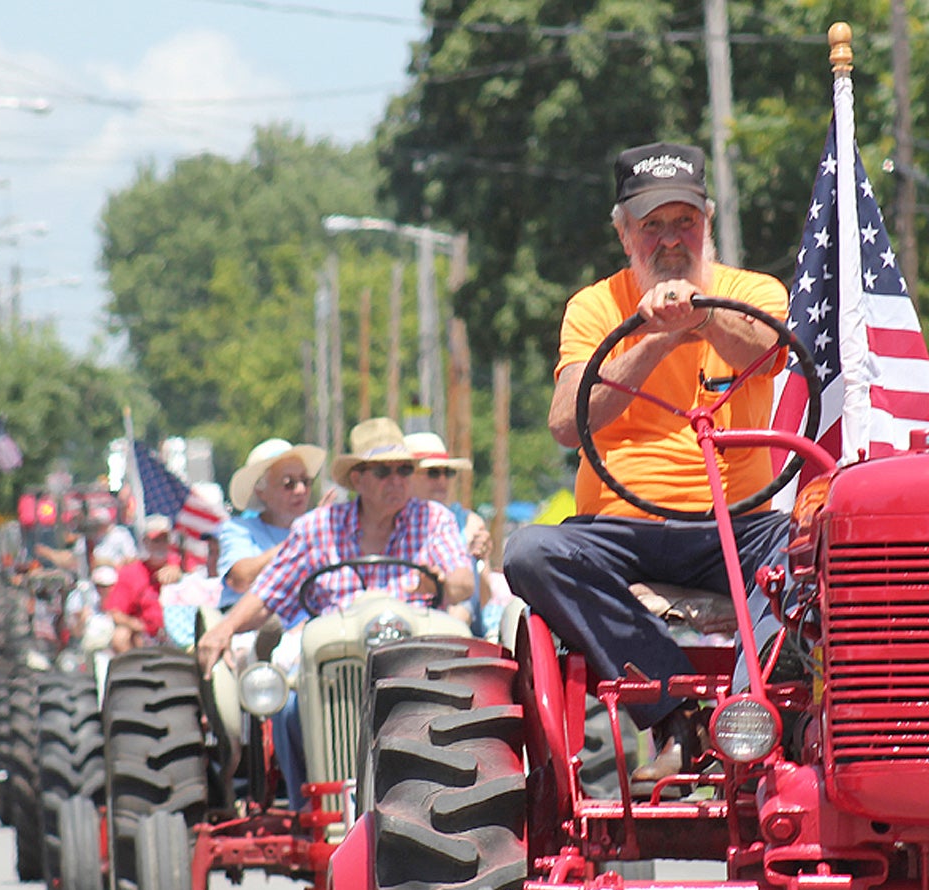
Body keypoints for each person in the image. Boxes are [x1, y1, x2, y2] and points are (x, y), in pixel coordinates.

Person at [502, 141, 791, 782]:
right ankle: (673, 711)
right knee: (530, 553)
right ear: (623, 231)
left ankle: (753, 715)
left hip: (736, 524)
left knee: (813, 551)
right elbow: (564, 422)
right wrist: (656, 334)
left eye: (683, 220)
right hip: (617, 528)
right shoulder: (596, 306)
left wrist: (703, 318)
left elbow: (764, 349)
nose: (669, 239)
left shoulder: (753, 291)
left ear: (707, 221)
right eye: (651, 224)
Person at [195, 418, 473, 806]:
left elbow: (464, 581)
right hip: (333, 674)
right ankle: (310, 809)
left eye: (404, 470)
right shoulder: (317, 527)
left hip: (416, 669)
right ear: (357, 479)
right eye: (383, 471)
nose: (397, 481)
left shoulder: (433, 520)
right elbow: (268, 593)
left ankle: (445, 801)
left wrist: (440, 584)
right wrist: (223, 629)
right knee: (288, 707)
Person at [218, 437, 326, 612]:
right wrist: (299, 538)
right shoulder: (239, 529)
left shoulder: (320, 530)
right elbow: (240, 580)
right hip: (250, 629)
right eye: (288, 483)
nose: (301, 490)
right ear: (261, 491)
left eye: (305, 481)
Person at [405, 431, 489, 632]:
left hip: (458, 616)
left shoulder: (467, 521)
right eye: (433, 472)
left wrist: (480, 559)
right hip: (408, 613)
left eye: (448, 472)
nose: (442, 480)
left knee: (459, 607)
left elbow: (483, 598)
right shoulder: (392, 520)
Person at [102, 516, 176, 653]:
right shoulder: (131, 573)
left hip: (179, 630)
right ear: (145, 542)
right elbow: (116, 612)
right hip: (145, 636)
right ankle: (132, 672)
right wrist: (138, 626)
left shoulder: (180, 565)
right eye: (155, 541)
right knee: (120, 636)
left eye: (164, 540)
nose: (160, 545)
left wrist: (179, 574)